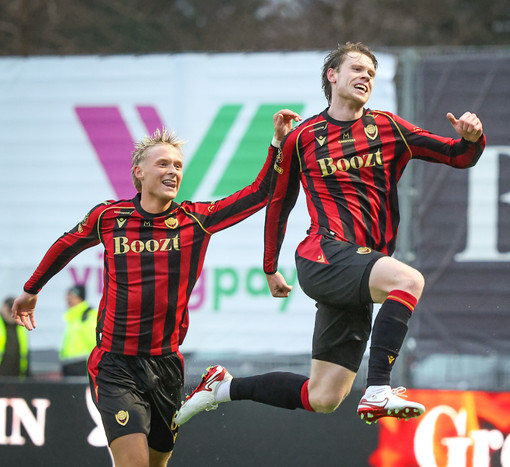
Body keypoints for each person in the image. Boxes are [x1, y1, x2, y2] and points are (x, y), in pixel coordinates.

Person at [175, 41, 485, 426]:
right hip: (323, 254)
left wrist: (472, 138)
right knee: (408, 281)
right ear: (332, 75)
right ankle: (378, 389)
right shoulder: (303, 137)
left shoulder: (388, 127)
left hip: (359, 268)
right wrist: (270, 267)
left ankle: (223, 387)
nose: (365, 76)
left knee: (323, 397)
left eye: (371, 73)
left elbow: (458, 155)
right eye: (357, 69)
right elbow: (278, 203)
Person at [11, 110, 300, 467]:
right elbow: (66, 244)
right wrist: (32, 289)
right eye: (163, 163)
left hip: (166, 365)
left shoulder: (195, 219)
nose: (173, 171)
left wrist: (277, 143)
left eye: (178, 165)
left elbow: (261, 192)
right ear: (139, 172)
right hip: (116, 364)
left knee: (157, 462)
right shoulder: (109, 217)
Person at [60, 284, 98, 377]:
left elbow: (95, 343)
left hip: (82, 365)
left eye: (73, 297)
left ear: (80, 298)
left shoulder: (89, 316)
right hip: (69, 364)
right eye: (68, 297)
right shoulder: (73, 318)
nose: (69, 300)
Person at [1, 296, 29, 378]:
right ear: (3, 308)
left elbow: (25, 354)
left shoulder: (21, 327)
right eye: (9, 310)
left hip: (17, 377)